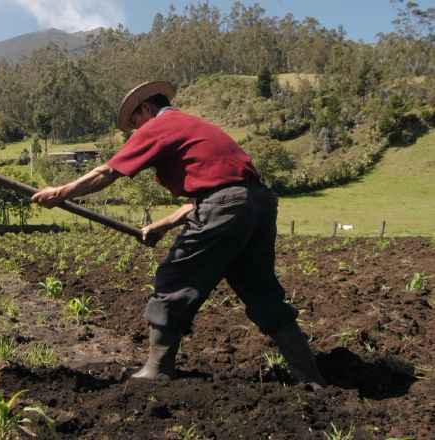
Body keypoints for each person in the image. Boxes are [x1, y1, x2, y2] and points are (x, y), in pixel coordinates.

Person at [31, 81, 326, 389]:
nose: (135, 131)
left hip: (228, 206)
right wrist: (163, 224)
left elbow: (108, 172)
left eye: (134, 123)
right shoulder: (196, 126)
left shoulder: (161, 125)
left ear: (146, 108)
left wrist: (62, 193)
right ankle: (311, 377)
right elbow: (217, 192)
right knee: (261, 292)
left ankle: (157, 368)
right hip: (258, 203)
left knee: (175, 280)